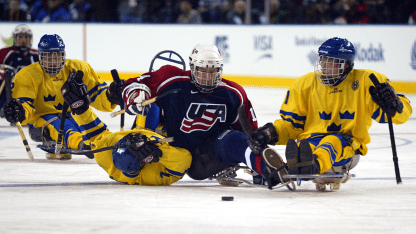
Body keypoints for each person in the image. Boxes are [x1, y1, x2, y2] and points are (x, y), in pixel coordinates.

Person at [122, 44, 289, 189]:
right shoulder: (172, 78)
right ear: (192, 67)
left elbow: (249, 134)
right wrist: (135, 94)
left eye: (213, 71)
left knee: (234, 139)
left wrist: (254, 158)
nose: (208, 77)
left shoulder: (233, 93)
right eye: (203, 71)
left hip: (207, 156)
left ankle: (270, 170)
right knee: (146, 118)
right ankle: (130, 163)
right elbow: (137, 83)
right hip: (168, 150)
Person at [248, 37, 413, 177]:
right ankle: (299, 163)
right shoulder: (304, 85)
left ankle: (312, 166)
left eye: (332, 62)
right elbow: (292, 125)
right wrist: (270, 132)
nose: (325, 66)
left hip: (348, 145)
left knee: (331, 142)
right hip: (312, 140)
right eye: (323, 60)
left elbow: (399, 116)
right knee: (305, 147)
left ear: (347, 64)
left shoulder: (366, 81)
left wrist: (396, 106)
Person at [58, 71, 191, 185]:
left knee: (147, 101)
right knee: (167, 105)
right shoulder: (153, 176)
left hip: (143, 130)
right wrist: (156, 151)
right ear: (143, 161)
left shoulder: (107, 157)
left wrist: (80, 107)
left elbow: (95, 136)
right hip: (171, 137)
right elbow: (184, 160)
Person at [3, 34, 124, 160]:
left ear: (63, 55)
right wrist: (20, 111)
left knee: (89, 120)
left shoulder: (79, 69)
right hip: (43, 118)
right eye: (48, 58)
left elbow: (97, 93)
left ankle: (108, 140)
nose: (53, 62)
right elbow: (25, 103)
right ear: (40, 57)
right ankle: (82, 144)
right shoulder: (27, 75)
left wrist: (111, 94)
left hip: (74, 112)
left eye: (57, 57)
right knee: (65, 127)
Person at [0, 24, 39, 117]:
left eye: (26, 37)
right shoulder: (5, 52)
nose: (23, 40)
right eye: (20, 37)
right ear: (14, 38)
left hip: (30, 90)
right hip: (9, 89)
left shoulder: (36, 55)